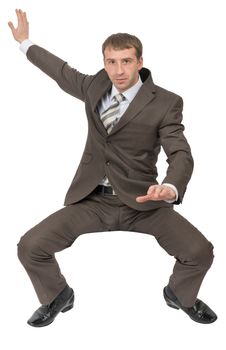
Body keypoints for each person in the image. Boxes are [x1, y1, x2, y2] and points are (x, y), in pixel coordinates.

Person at [9, 9, 217, 327]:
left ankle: (180, 295)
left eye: (126, 61)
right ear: (104, 62)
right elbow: (60, 71)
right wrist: (25, 43)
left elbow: (180, 153)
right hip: (93, 200)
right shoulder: (94, 86)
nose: (118, 70)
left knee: (200, 252)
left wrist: (170, 186)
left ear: (140, 61)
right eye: (111, 62)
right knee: (30, 246)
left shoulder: (165, 102)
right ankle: (56, 295)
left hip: (144, 202)